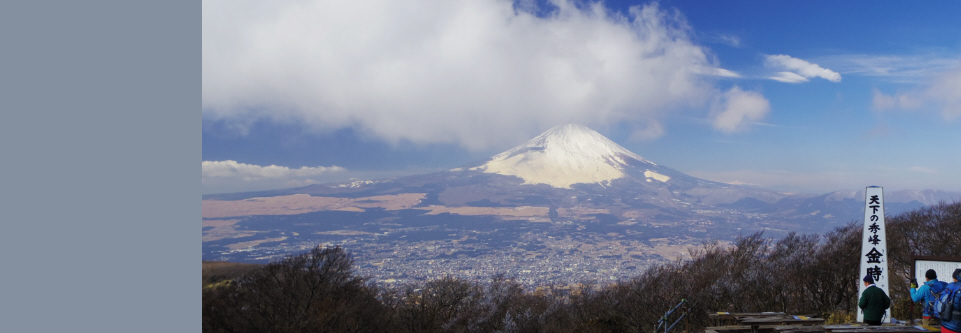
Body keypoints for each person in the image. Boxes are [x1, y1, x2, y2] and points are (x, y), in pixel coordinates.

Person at [940, 269, 961, 333]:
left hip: (945, 325)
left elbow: (940, 302)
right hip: (957, 327)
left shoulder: (948, 287)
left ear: (954, 278)